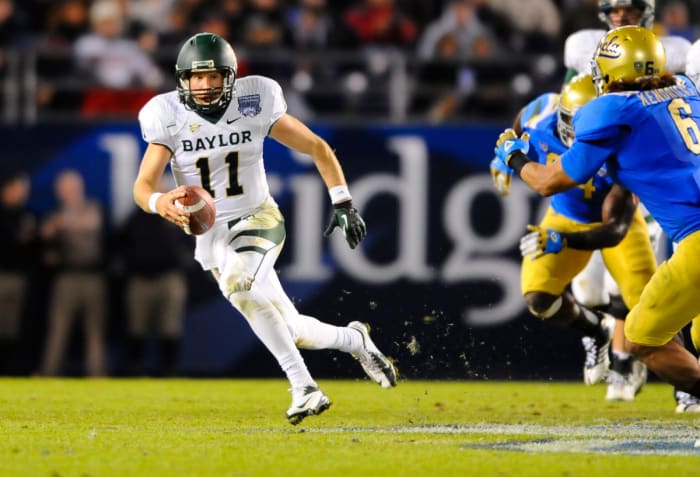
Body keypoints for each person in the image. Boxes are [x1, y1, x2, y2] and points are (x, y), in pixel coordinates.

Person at [133, 32, 397, 425]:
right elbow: (143, 186)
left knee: (238, 284)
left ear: (231, 76)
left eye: (213, 76)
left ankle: (304, 387)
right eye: (195, 77)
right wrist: (160, 202)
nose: (204, 86)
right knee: (293, 329)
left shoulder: (254, 99)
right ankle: (354, 339)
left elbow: (317, 147)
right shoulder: (165, 114)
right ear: (181, 79)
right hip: (212, 233)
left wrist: (343, 200)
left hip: (258, 217)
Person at [492, 25, 700, 406]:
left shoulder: (610, 109)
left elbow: (550, 182)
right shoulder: (686, 88)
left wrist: (513, 157)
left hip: (696, 240)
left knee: (640, 339)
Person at [489, 73, 655, 400]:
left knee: (653, 309)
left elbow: (614, 231)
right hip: (565, 216)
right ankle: (597, 330)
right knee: (538, 297)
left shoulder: (623, 142)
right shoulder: (543, 113)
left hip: (615, 228)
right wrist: (502, 156)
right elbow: (518, 124)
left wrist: (562, 242)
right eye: (575, 121)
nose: (582, 132)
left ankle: (686, 389)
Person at [560, 0, 691, 406]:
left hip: (662, 181)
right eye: (614, 9)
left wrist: (516, 157)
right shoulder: (587, 50)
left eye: (628, 8)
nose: (620, 15)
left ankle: (632, 364)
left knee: (648, 299)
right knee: (595, 287)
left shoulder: (677, 59)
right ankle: (622, 354)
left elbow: (557, 175)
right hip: (645, 170)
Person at [118, 178, 194, 377]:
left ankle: (170, 370)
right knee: (137, 326)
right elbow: (121, 243)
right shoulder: (136, 217)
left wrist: (182, 261)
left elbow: (190, 243)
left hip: (169, 277)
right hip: (141, 278)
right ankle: (135, 369)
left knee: (170, 326)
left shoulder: (175, 215)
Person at [38, 169, 107, 377]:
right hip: (66, 276)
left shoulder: (92, 207)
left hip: (93, 276)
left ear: (78, 188)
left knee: (95, 328)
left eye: (68, 187)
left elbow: (92, 224)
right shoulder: (56, 211)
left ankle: (97, 373)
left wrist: (61, 224)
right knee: (58, 327)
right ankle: (49, 371)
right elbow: (45, 236)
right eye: (61, 188)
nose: (64, 192)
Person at [0, 170, 36, 375]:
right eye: (19, 188)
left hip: (19, 276)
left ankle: (10, 370)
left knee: (13, 327)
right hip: (2, 274)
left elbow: (32, 246)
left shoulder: (26, 214)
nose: (22, 193)